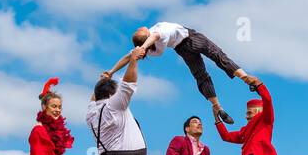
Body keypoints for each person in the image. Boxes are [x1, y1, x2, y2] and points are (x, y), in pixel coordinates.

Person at [101, 21, 257, 125]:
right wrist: (142, 48)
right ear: (145, 36)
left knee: (200, 75)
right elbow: (153, 37)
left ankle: (217, 106)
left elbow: (127, 57)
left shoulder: (150, 48)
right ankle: (245, 77)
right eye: (139, 30)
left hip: (182, 50)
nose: (139, 27)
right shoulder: (157, 33)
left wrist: (111, 71)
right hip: (192, 39)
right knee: (218, 55)